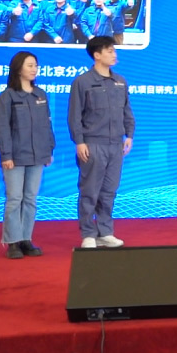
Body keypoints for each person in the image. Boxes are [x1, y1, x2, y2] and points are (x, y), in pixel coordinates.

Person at [68, 35, 134, 249]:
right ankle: (88, 233)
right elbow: (74, 116)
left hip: (116, 145)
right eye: (109, 51)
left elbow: (126, 110)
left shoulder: (120, 81)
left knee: (109, 191)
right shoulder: (83, 82)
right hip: (92, 144)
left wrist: (129, 135)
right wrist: (79, 142)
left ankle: (105, 232)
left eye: (114, 51)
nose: (114, 55)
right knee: (89, 190)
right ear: (97, 55)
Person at [0, 51, 54, 259]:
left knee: (30, 198)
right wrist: (6, 155)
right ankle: (12, 241)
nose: (34, 69)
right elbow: (2, 128)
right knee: (14, 198)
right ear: (18, 69)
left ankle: (26, 239)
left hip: (38, 155)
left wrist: (49, 149)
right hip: (15, 157)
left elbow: (47, 125)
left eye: (35, 65)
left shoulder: (40, 95)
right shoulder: (7, 97)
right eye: (30, 65)